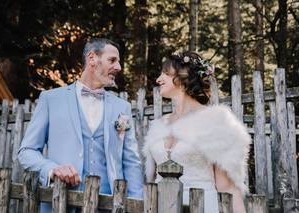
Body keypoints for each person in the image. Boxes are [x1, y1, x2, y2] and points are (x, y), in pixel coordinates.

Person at [18, 38, 143, 212]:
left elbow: (131, 160)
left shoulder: (122, 107)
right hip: (61, 202)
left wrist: (136, 203)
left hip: (109, 204)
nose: (119, 67)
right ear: (92, 59)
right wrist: (52, 169)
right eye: (112, 60)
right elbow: (27, 151)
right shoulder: (51, 99)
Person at [142, 51, 250, 213]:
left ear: (183, 78)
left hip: (202, 206)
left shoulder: (215, 122)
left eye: (165, 73)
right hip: (160, 207)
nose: (158, 79)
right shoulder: (159, 125)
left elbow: (227, 187)